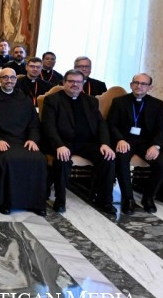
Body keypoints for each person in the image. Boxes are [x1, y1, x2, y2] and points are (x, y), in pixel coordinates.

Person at [41, 69, 116, 214]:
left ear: (83, 83)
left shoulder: (91, 101)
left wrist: (105, 144)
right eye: (71, 81)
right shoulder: (52, 100)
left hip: (87, 143)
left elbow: (101, 124)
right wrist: (59, 145)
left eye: (78, 82)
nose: (75, 84)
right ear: (64, 82)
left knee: (108, 158)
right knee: (62, 159)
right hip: (64, 143)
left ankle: (105, 200)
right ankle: (60, 200)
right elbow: (48, 126)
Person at [0, 68, 48, 216]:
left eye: (12, 78)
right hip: (1, 141)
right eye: (5, 77)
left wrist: (32, 139)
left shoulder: (24, 99)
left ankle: (35, 203)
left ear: (16, 80)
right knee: (8, 160)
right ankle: (6, 203)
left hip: (23, 141)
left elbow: (34, 123)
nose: (9, 80)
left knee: (39, 159)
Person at [107, 73, 163, 214]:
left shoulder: (157, 104)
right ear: (131, 85)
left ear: (150, 87)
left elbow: (162, 128)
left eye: (143, 84)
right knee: (121, 159)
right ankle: (128, 199)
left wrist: (156, 146)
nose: (139, 86)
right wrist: (119, 139)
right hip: (125, 141)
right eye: (136, 83)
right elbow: (111, 124)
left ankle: (148, 197)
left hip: (146, 143)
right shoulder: (119, 102)